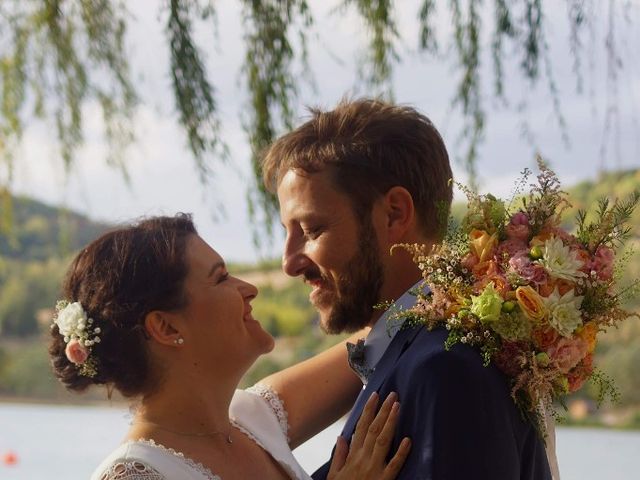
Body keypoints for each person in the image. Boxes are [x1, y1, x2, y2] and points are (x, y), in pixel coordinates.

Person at [262, 98, 553, 479]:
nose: (290, 262)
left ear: (395, 213)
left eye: (312, 230)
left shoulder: (445, 370)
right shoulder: (425, 355)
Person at [48, 214, 411, 480]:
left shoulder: (256, 418)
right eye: (220, 278)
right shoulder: (135, 476)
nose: (249, 289)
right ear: (166, 326)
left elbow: (389, 333)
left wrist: (457, 275)